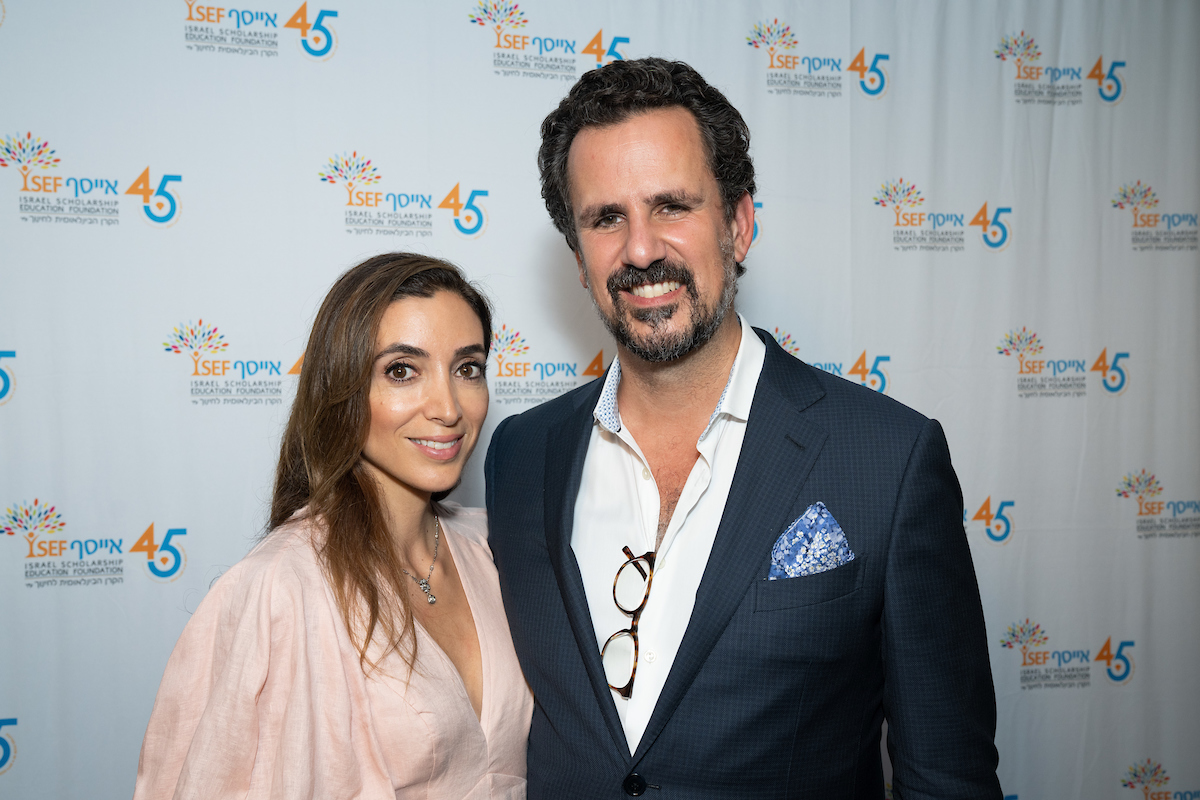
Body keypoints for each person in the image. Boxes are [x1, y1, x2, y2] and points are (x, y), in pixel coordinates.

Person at [485, 58, 1002, 798]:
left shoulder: (888, 460)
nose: (640, 249)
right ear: (577, 256)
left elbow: (947, 777)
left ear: (738, 225)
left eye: (672, 206)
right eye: (606, 218)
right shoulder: (521, 456)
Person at [135, 253, 533, 799]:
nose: (448, 407)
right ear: (341, 387)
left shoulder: (495, 548)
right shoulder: (281, 587)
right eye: (401, 371)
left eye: (468, 369)